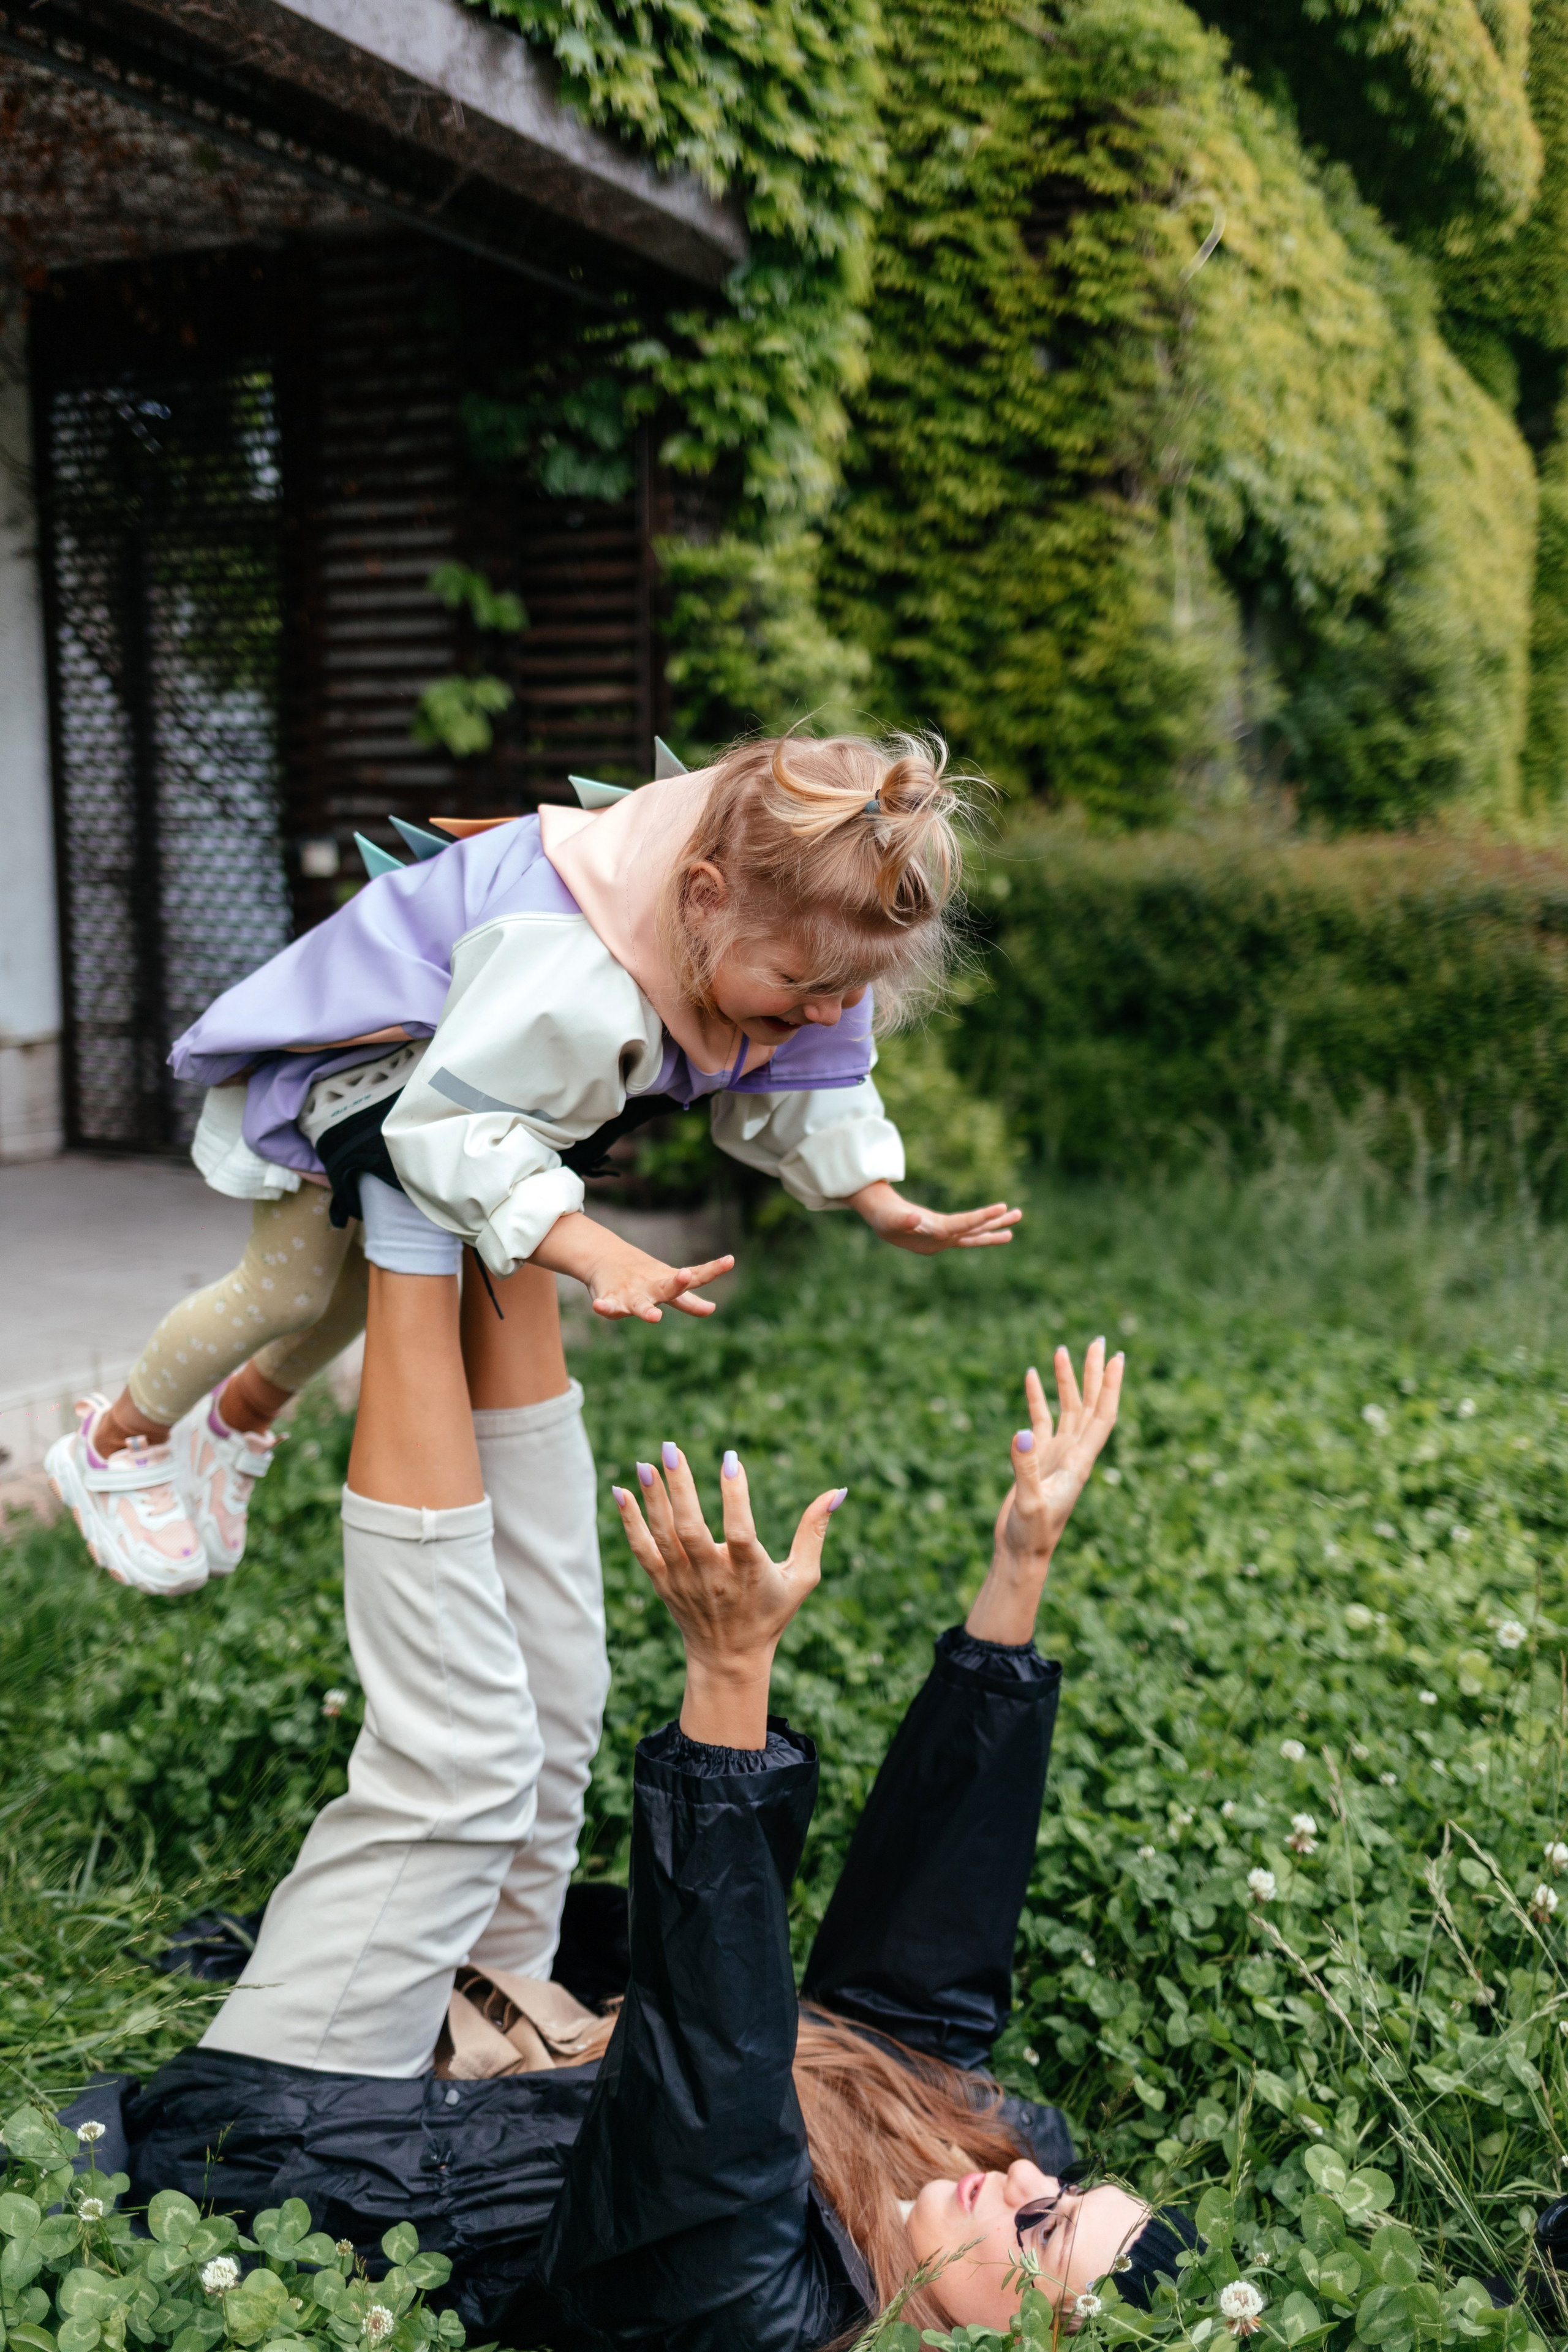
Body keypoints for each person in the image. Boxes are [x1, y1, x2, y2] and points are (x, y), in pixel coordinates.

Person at [115, 1338, 1200, 2346]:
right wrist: (1023, 1559)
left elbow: (709, 2066)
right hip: (514, 2031)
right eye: (1060, 2194)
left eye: (1044, 2235)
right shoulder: (949, 2152)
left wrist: (729, 1675)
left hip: (293, 2131)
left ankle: (407, 1231)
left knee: (467, 1766)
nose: (1020, 2183)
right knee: (556, 1706)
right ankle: (506, 1184)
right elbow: (932, 1934)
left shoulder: (766, 2313)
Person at [47, 733, 1019, 1596]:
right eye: (804, 987)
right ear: (702, 901)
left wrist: (880, 1199)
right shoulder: (571, 964)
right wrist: (597, 1252)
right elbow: (458, 1125)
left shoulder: (794, 936)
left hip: (463, 1070)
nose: (823, 1010)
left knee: (343, 1305)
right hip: (367, 1065)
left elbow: (813, 1077)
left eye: (847, 990)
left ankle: (231, 1428)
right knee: (288, 1291)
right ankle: (113, 1442)